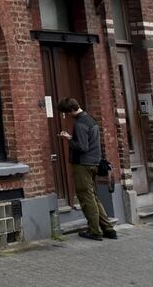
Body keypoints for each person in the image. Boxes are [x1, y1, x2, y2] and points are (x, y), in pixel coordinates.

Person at [57, 98, 117, 240]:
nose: (67, 115)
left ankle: (95, 231)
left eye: (67, 113)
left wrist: (68, 139)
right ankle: (109, 229)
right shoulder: (90, 120)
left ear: (71, 110)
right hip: (94, 163)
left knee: (86, 198)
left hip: (83, 165)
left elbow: (83, 147)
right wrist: (73, 137)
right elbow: (88, 141)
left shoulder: (80, 124)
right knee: (94, 198)